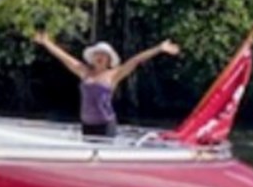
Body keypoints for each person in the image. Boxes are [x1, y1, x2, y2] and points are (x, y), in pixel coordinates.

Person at [32, 32, 180, 139]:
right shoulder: (84, 72)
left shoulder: (114, 75)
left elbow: (135, 60)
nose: (100, 57)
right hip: (87, 124)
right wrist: (46, 43)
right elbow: (64, 58)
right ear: (92, 57)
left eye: (103, 55)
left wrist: (159, 48)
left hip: (105, 125)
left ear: (109, 60)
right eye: (97, 54)